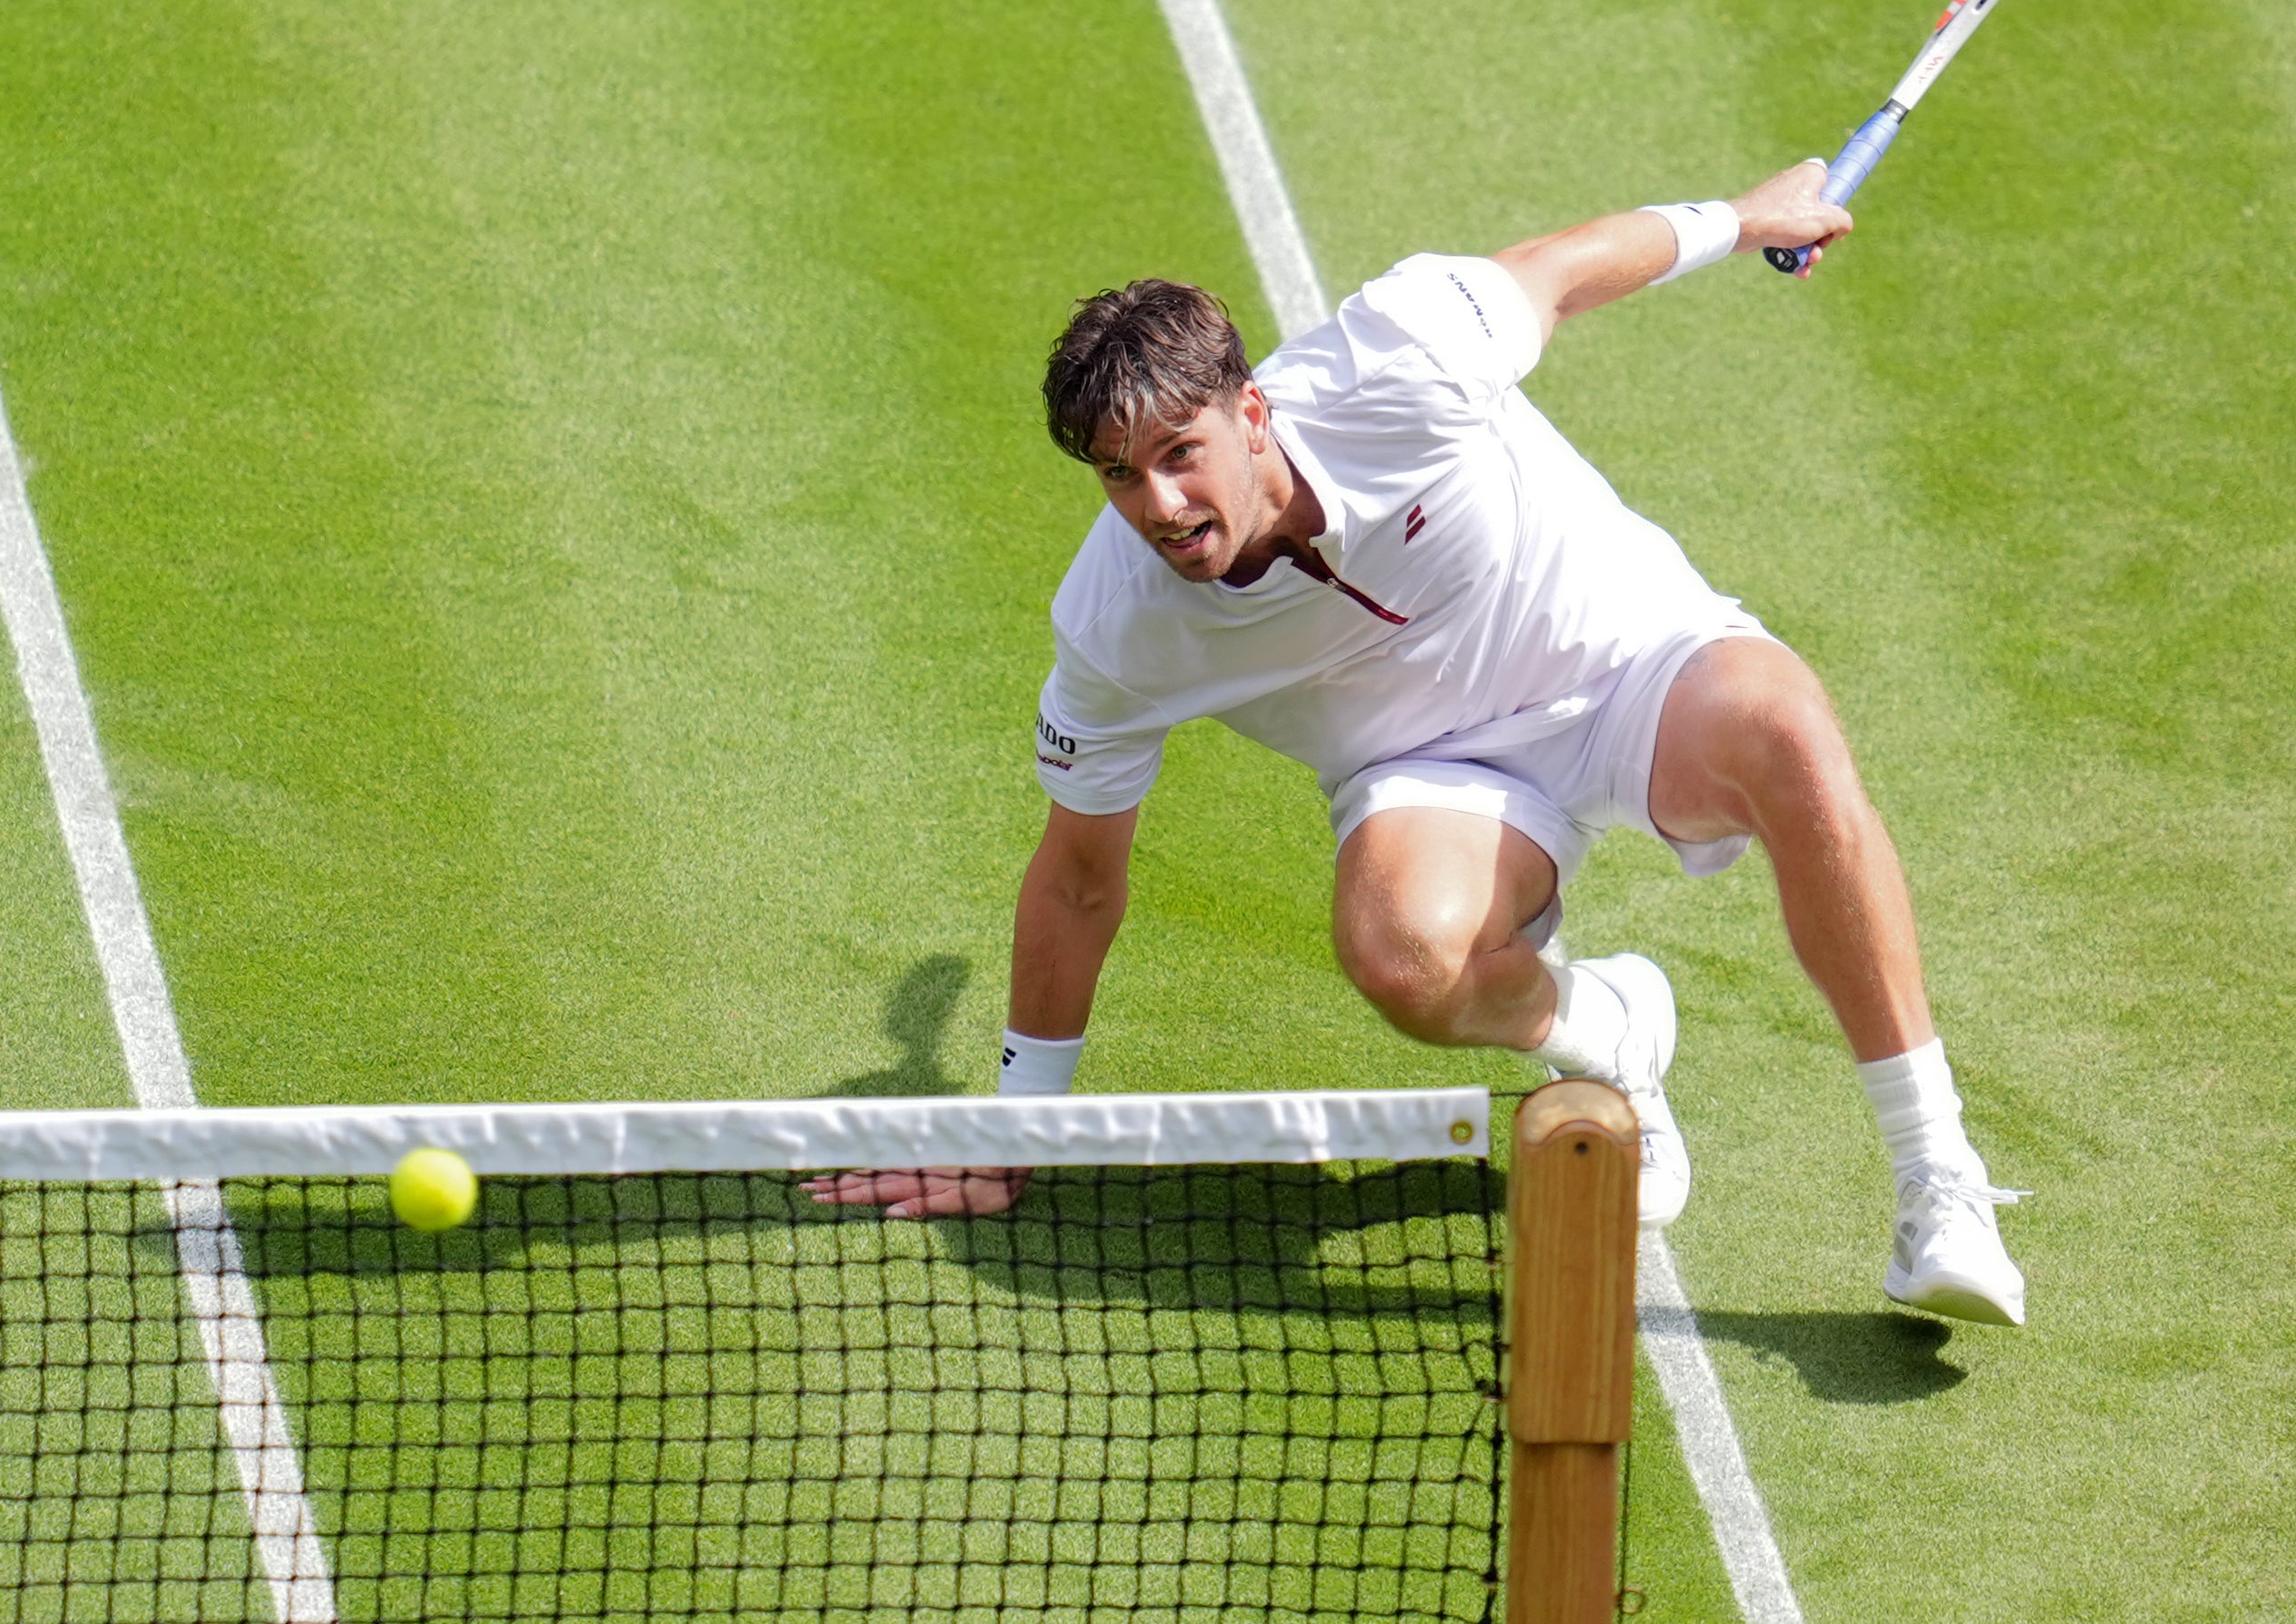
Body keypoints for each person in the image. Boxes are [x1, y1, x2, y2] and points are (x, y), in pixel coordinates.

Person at [812, 160, 2026, 1325]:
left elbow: (1560, 269)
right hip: (1437, 779)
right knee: (1402, 956)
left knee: (1792, 735)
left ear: (1250, 411)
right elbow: (1078, 876)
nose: (1161, 508)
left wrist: (1746, 217)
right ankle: (1606, 1029)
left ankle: (1939, 1181)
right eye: (1119, 478)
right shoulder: (1117, 627)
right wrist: (1018, 1132)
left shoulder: (1399, 355)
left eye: (1179, 456)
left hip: (1627, 662)